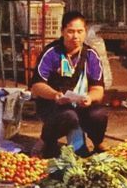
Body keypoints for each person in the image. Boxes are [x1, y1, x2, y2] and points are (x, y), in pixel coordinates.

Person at [30, 11, 109, 158]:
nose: (75, 36)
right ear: (62, 32)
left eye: (80, 31)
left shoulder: (91, 55)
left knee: (99, 114)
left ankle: (98, 142)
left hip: (82, 104)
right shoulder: (51, 53)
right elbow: (36, 85)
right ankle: (45, 140)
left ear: (85, 32)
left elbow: (98, 89)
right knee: (68, 115)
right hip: (53, 105)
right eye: (71, 31)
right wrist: (54, 95)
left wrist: (90, 98)